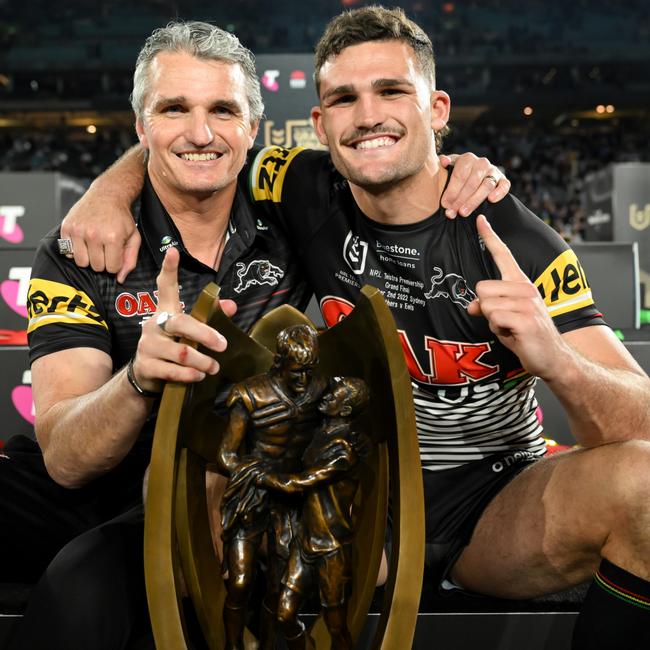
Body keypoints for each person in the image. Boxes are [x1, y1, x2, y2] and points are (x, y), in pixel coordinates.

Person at [63, 7, 650, 649]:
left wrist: (556, 361)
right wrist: (106, 191)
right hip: (364, 492)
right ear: (320, 123)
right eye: (344, 97)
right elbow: (191, 148)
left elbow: (636, 424)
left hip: (498, 500)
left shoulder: (515, 240)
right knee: (210, 488)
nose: (368, 115)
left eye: (392, 91)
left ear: (437, 109)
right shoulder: (302, 184)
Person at [3, 17, 500, 650]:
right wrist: (138, 380)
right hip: (97, 476)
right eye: (174, 108)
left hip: (223, 482)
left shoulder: (304, 208)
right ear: (140, 129)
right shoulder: (85, 250)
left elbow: (398, 169)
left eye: (223, 110)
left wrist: (465, 169)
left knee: (83, 590)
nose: (202, 132)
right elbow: (68, 460)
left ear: (253, 129)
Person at [217, 324, 328, 650]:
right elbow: (226, 455)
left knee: (279, 589)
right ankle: (233, 645)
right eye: (296, 373)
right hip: (251, 497)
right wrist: (265, 477)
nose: (303, 381)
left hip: (293, 500)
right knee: (239, 582)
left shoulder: (320, 390)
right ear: (279, 362)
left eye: (309, 371)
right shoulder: (250, 395)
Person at [255, 377, 372, 650]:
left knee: (336, 626)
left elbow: (303, 481)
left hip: (331, 548)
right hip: (306, 542)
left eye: (335, 397)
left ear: (345, 411)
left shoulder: (344, 449)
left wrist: (263, 477)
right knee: (285, 614)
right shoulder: (319, 433)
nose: (327, 398)